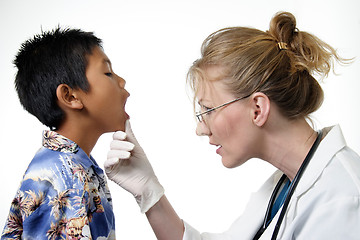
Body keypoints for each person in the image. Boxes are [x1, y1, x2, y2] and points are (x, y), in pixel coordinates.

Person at [105, 11, 360, 239]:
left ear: (258, 109)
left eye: (208, 110)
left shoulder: (342, 199)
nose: (201, 129)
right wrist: (149, 192)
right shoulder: (285, 184)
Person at [1, 27, 130, 239]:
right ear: (70, 96)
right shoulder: (65, 177)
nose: (121, 81)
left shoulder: (74, 164)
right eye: (107, 73)